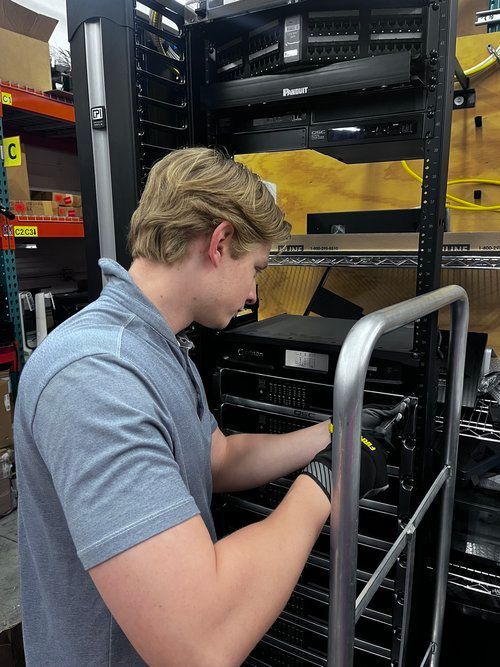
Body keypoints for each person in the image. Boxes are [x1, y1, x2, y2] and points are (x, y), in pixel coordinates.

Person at [14, 147, 405, 666]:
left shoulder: (157, 344)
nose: (252, 293)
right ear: (220, 242)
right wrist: (326, 483)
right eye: (256, 269)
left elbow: (216, 457)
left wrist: (333, 433)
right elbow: (200, 645)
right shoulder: (96, 376)